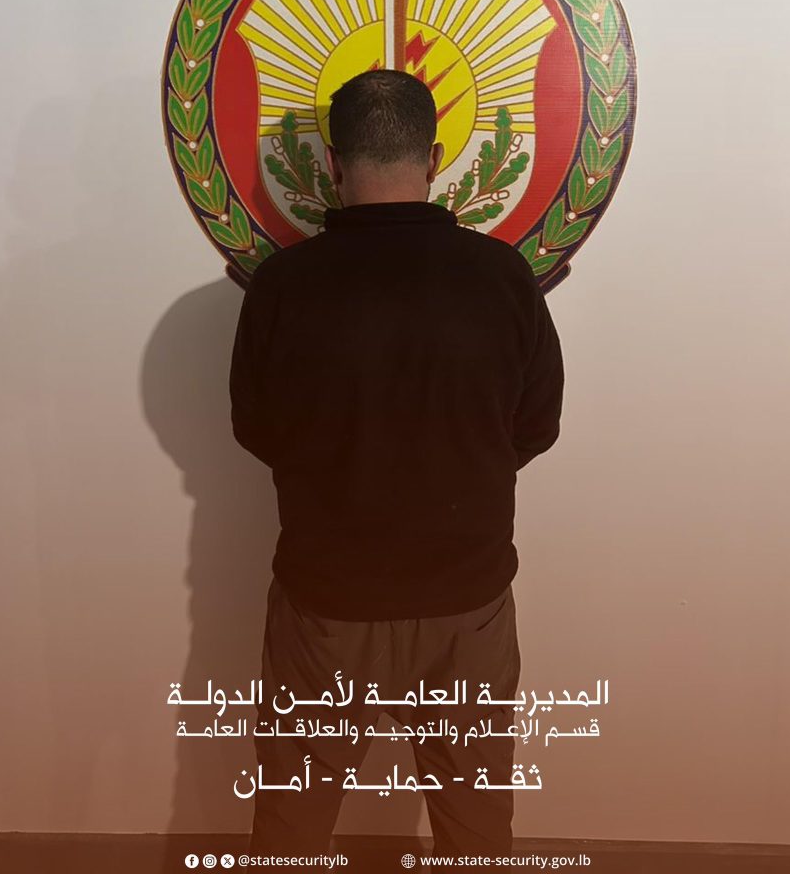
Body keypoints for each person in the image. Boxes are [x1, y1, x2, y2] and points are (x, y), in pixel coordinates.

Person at [229, 69, 564, 861]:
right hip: (466, 600)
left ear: (332, 164)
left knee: (291, 818)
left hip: (325, 600)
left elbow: (257, 430)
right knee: (474, 820)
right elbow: (534, 429)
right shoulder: (503, 278)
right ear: (436, 157)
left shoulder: (282, 286)